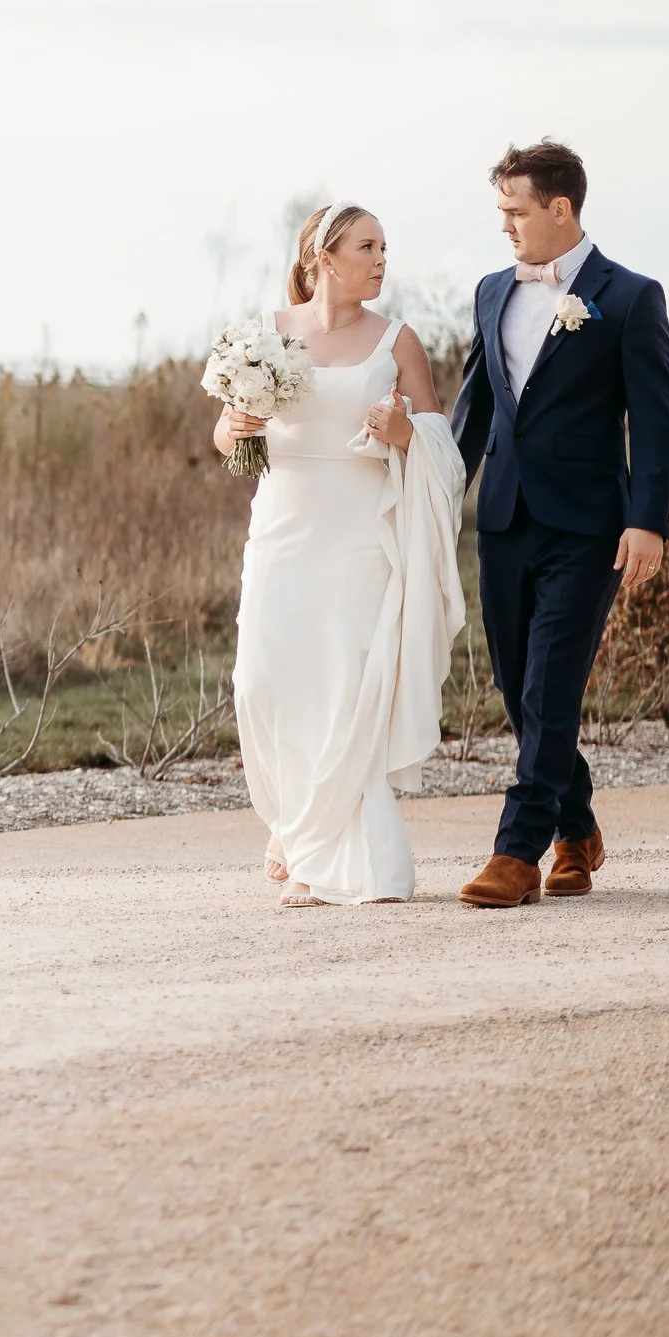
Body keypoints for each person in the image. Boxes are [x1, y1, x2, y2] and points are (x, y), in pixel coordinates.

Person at [451, 141, 669, 907]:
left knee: (551, 686)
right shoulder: (490, 291)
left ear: (561, 209)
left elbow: (655, 419)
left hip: (589, 527)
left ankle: (517, 852)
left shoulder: (631, 296)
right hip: (504, 518)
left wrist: (648, 521)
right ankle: (577, 830)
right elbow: (475, 406)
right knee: (522, 692)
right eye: (501, 212)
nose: (506, 226)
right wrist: (433, 490)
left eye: (516, 211)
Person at [220, 203, 467, 905]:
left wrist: (401, 431)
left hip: (359, 533)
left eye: (385, 247)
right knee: (258, 679)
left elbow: (441, 448)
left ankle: (321, 854)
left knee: (338, 685)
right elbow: (227, 438)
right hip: (282, 523)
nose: (382, 259)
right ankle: (291, 823)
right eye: (368, 246)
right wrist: (234, 426)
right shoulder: (268, 333)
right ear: (324, 258)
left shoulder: (398, 341)